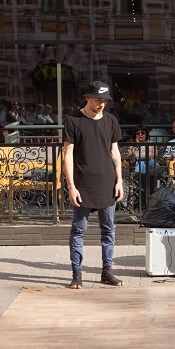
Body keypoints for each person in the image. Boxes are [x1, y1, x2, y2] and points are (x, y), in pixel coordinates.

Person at [63, 81, 125, 289]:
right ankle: (77, 274)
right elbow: (68, 155)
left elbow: (114, 152)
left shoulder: (110, 120)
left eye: (105, 101)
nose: (102, 104)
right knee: (78, 230)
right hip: (83, 184)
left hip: (107, 183)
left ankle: (107, 271)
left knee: (108, 229)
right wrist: (71, 186)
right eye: (98, 100)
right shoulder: (73, 120)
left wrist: (120, 181)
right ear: (87, 97)